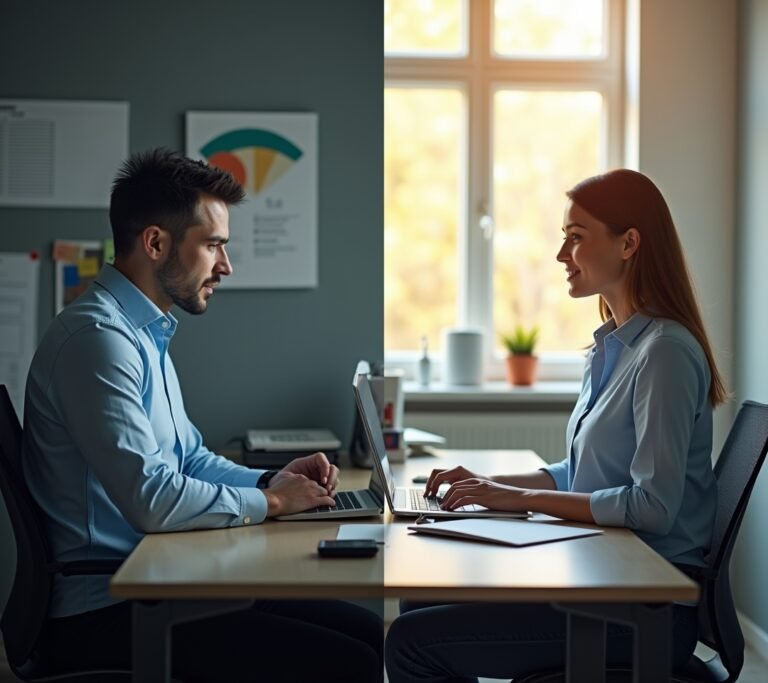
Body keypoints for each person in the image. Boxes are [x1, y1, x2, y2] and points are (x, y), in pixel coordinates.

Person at [23, 148, 382, 682]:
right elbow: (152, 500)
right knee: (349, 663)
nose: (226, 265)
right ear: (155, 242)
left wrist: (272, 480)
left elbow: (187, 458)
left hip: (160, 580)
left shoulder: (143, 333)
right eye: (213, 244)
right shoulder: (99, 341)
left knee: (371, 635)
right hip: (106, 609)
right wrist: (271, 501)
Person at [385, 169, 727, 682]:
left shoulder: (665, 354)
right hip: (600, 577)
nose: (561, 256)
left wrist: (521, 500)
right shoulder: (613, 347)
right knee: (417, 603)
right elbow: (581, 471)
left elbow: (652, 507)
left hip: (642, 609)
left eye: (575, 238)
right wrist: (488, 489)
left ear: (629, 243)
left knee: (412, 642)